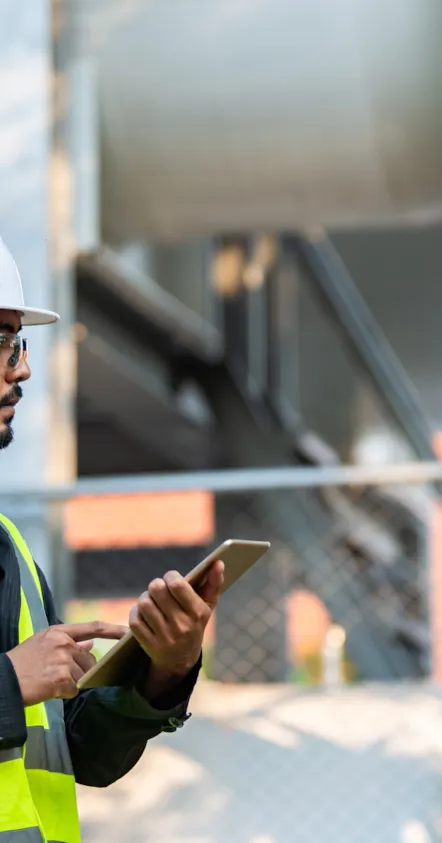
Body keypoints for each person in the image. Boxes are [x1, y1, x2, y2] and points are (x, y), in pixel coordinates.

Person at [0, 237, 224, 843]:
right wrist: (8, 683)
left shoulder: (9, 546)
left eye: (18, 341)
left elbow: (82, 754)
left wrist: (162, 673)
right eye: (0, 340)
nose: (20, 366)